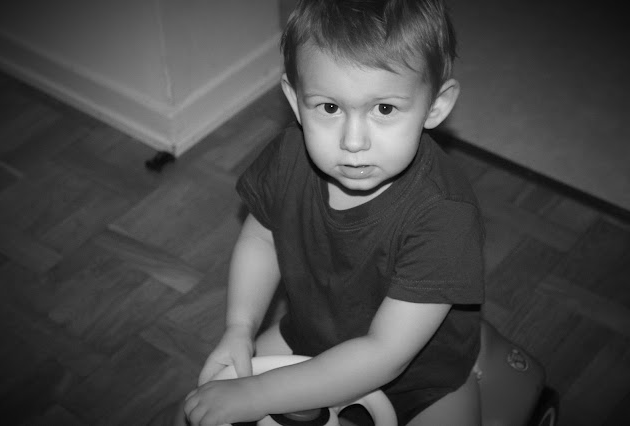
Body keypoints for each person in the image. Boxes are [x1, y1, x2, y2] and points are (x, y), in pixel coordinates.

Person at [183, 0, 485, 424]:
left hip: (420, 383)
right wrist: (240, 327)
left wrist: (259, 392)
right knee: (207, 402)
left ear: (435, 105)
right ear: (295, 100)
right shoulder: (287, 157)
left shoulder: (445, 217)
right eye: (329, 107)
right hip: (308, 339)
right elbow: (261, 238)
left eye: (384, 109)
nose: (353, 141)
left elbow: (386, 354)